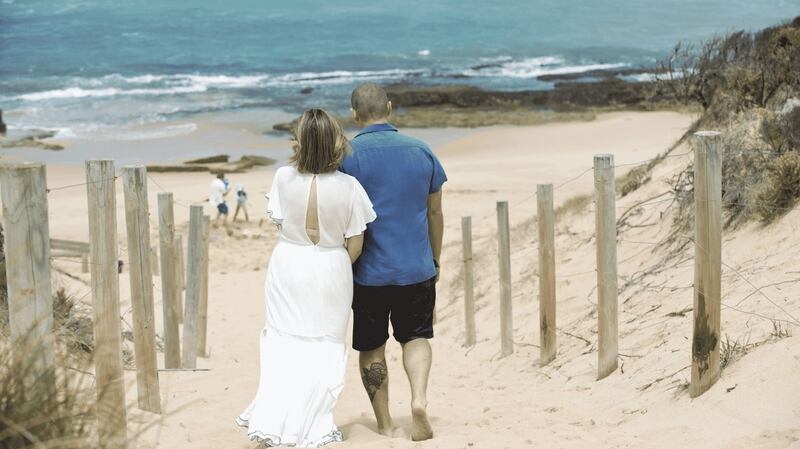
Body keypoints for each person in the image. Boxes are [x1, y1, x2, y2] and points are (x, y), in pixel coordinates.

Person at [236, 108, 376, 447]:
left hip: (288, 263)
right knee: (325, 344)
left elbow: (281, 223)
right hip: (331, 265)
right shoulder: (349, 186)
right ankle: (316, 421)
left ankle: (275, 420)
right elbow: (355, 243)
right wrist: (336, 262)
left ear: (300, 141)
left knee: (284, 341)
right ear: (335, 142)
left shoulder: (283, 177)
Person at [340, 83, 446, 441]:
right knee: (415, 337)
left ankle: (384, 424)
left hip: (367, 271)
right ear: (390, 106)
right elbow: (435, 211)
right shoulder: (421, 150)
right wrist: (435, 259)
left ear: (354, 114)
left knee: (372, 346)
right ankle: (418, 399)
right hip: (416, 265)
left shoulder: (346, 156)